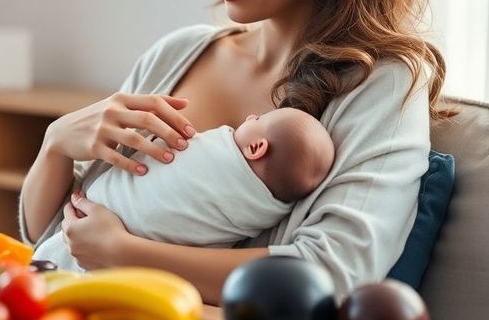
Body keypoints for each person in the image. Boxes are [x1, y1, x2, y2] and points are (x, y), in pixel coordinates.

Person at [19, 0, 452, 304]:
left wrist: (128, 254)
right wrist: (56, 145)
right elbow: (50, 242)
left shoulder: (382, 83)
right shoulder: (178, 53)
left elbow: (334, 272)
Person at [32, 107, 336, 272]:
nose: (249, 117)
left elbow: (317, 270)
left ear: (256, 147)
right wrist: (54, 142)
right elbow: (40, 231)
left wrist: (120, 249)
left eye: (259, 119)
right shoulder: (264, 207)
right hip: (62, 248)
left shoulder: (218, 151)